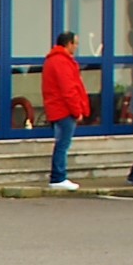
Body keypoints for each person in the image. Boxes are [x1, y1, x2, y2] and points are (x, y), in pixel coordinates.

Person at [41, 31, 88, 190]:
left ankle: (58, 177)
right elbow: (69, 89)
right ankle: (58, 177)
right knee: (63, 144)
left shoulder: (55, 60)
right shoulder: (61, 62)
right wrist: (77, 110)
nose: (76, 46)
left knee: (61, 143)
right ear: (68, 44)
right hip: (63, 110)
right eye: (75, 43)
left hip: (57, 108)